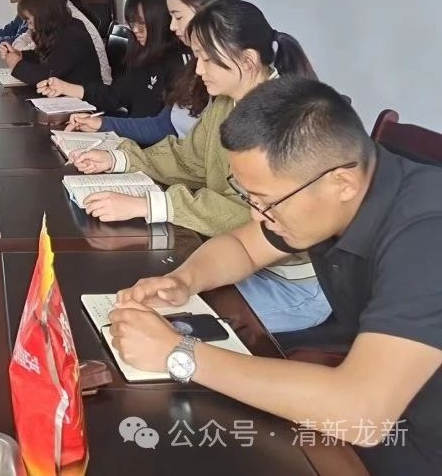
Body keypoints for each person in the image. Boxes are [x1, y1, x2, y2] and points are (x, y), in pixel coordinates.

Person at [109, 77, 442, 474]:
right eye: (250, 198)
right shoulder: (335, 188)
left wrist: (179, 353)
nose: (257, 216)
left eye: (266, 202)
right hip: (385, 404)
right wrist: (183, 281)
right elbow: (244, 246)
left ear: (342, 183)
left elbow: (361, 412)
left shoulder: (427, 234)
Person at [71, 0, 327, 333]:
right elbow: (189, 157)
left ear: (247, 60)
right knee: (149, 297)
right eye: (197, 57)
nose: (199, 70)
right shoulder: (226, 102)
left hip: (289, 283)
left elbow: (245, 215)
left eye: (206, 59)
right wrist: (122, 158)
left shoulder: (285, 122)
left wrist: (151, 204)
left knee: (164, 322)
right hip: (238, 257)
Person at [67, 0, 232, 147]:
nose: (172, 26)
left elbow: (181, 142)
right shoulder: (162, 60)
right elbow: (164, 125)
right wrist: (102, 124)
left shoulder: (186, 64)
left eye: (178, 17)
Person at [37, 0, 183, 118]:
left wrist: (104, 123)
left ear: (162, 21)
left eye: (142, 24)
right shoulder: (142, 55)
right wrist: (65, 88)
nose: (136, 30)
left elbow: (156, 125)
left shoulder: (178, 64)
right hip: (131, 131)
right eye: (132, 23)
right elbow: (114, 96)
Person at [0, 0, 103, 87]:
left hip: (83, 96)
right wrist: (20, 55)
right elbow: (46, 57)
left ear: (43, 16)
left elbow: (45, 77)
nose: (29, 27)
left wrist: (16, 64)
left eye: (30, 21)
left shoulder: (73, 34)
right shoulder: (59, 28)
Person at [28, 0, 113, 85]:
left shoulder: (72, 23)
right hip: (76, 82)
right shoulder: (58, 15)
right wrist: (21, 55)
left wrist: (17, 63)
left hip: (94, 89)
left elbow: (50, 71)